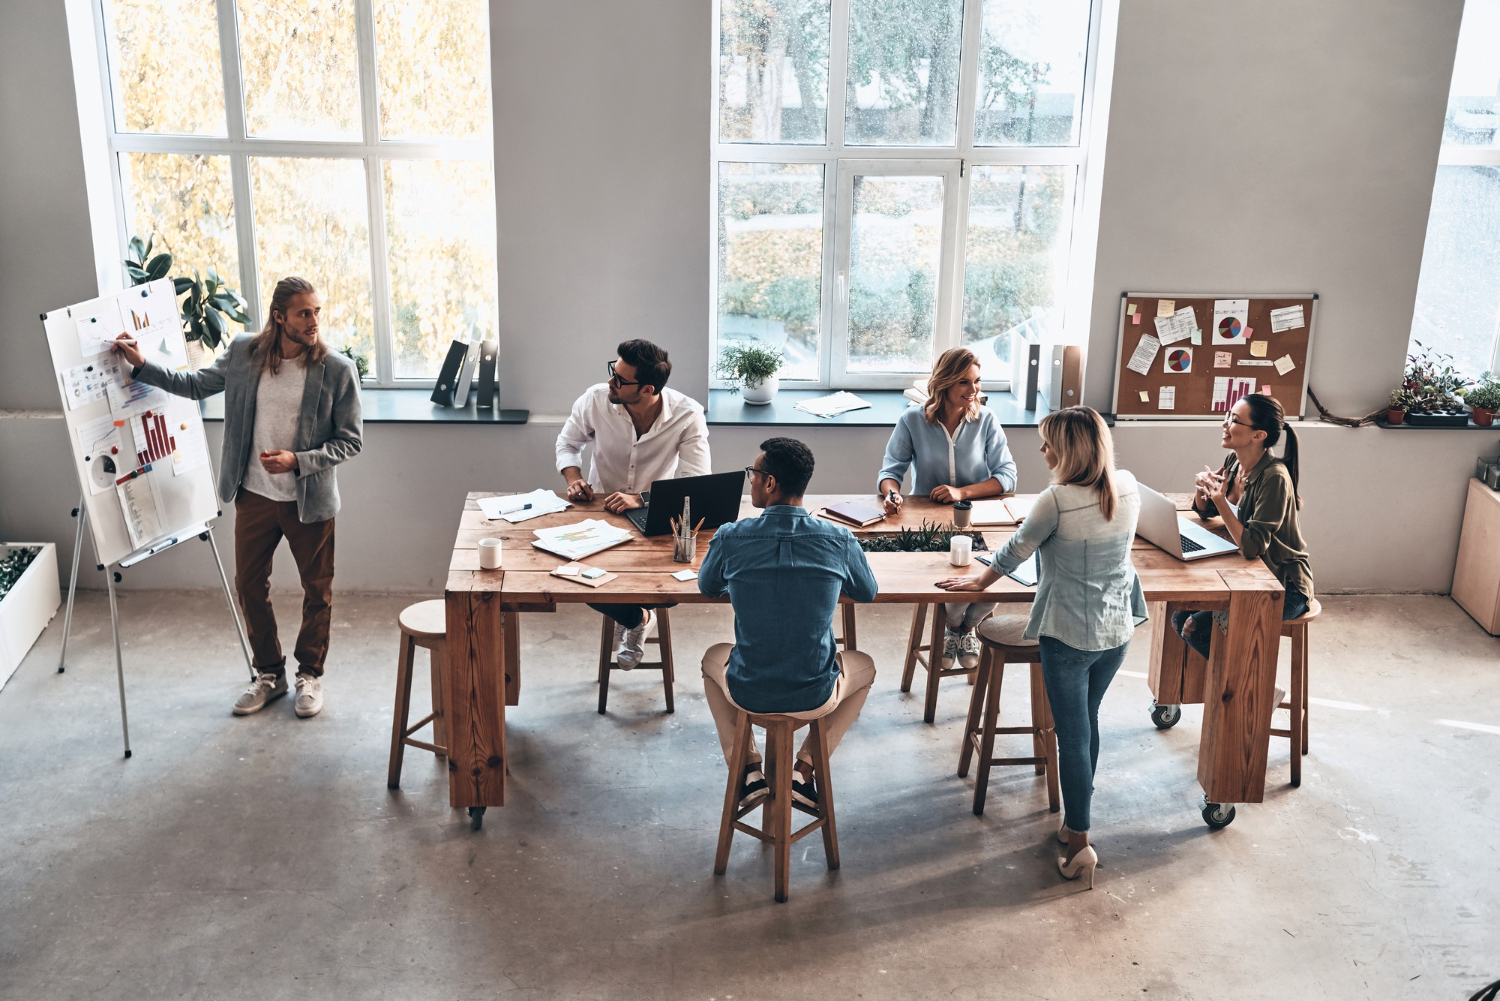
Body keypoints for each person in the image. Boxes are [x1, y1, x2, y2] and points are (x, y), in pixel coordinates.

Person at [113, 276, 362, 718]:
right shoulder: (246, 354)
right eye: (304, 313)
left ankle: (310, 675)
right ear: (279, 316)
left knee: (316, 591)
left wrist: (298, 460)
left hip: (309, 502)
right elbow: (193, 385)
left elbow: (350, 441)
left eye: (317, 311)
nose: (314, 321)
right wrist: (141, 364)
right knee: (249, 586)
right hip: (254, 496)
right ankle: (270, 673)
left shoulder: (337, 370)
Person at [936, 407, 1143, 888]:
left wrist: (976, 588)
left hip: (1070, 634)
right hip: (1116, 632)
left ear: (1069, 450)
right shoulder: (1127, 484)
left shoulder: (1056, 499)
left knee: (1070, 735)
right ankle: (1074, 822)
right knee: (1085, 724)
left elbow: (1014, 551)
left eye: (1049, 443)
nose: (1043, 450)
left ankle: (1080, 842)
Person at [699, 438, 878, 809]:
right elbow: (867, 591)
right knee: (865, 667)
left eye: (753, 474)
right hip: (814, 691)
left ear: (769, 483)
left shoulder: (732, 536)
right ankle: (805, 769)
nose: (750, 480)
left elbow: (708, 585)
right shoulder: (839, 539)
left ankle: (748, 770)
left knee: (712, 659)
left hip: (750, 688)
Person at [555, 339, 710, 668]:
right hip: (600, 514)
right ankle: (635, 619)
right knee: (572, 575)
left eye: (621, 380)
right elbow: (568, 443)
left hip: (655, 518)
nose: (611, 382)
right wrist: (573, 480)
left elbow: (695, 482)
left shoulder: (688, 415)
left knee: (671, 590)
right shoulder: (595, 399)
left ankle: (625, 615)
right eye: (613, 371)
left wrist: (641, 498)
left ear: (647, 389)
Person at [877, 347, 1017, 670]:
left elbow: (1007, 477)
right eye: (965, 384)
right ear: (945, 384)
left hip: (980, 521)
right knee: (950, 577)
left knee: (1000, 577)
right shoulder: (912, 421)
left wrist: (961, 492)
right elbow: (889, 473)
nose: (974, 391)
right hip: (930, 526)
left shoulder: (986, 420)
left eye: (977, 382)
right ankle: (953, 627)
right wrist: (892, 495)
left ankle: (965, 628)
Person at [1172, 394, 1313, 665]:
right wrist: (1203, 489)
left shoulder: (1274, 477)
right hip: (1248, 578)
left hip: (1284, 587)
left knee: (1196, 627)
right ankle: (1226, 689)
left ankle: (1251, 692)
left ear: (1258, 435)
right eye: (1227, 416)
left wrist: (1219, 500)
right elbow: (1205, 512)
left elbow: (1251, 547)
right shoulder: (1235, 461)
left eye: (1234, 420)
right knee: (1180, 616)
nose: (1225, 424)